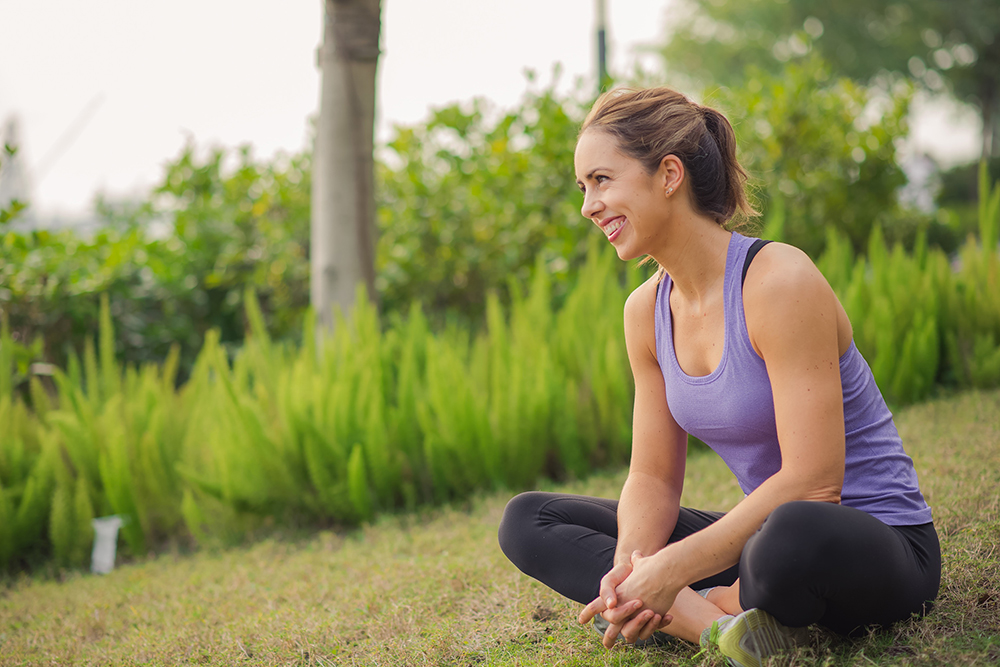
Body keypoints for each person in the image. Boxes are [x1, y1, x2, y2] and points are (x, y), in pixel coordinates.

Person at [497, 87, 940, 667]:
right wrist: (631, 566)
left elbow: (815, 483)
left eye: (601, 180)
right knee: (529, 519)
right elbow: (653, 478)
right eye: (584, 188)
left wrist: (673, 570)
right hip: (762, 541)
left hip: (866, 542)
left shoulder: (778, 282)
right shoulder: (645, 312)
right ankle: (720, 627)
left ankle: (697, 610)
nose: (588, 205)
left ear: (669, 174)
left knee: (787, 535)